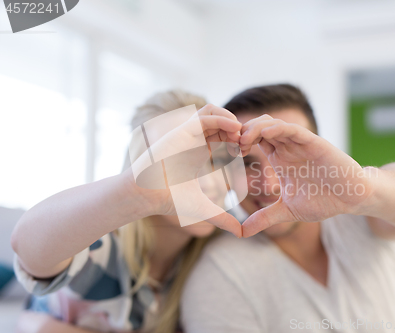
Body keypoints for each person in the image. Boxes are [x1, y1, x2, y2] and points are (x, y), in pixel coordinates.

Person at [180, 84, 395, 332]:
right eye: (248, 163)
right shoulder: (221, 275)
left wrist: (364, 192)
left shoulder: (364, 213)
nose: (270, 183)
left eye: (285, 154)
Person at [11, 90, 244, 333]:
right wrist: (134, 192)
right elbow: (28, 248)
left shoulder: (221, 249)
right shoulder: (101, 250)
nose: (212, 183)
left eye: (216, 160)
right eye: (179, 161)